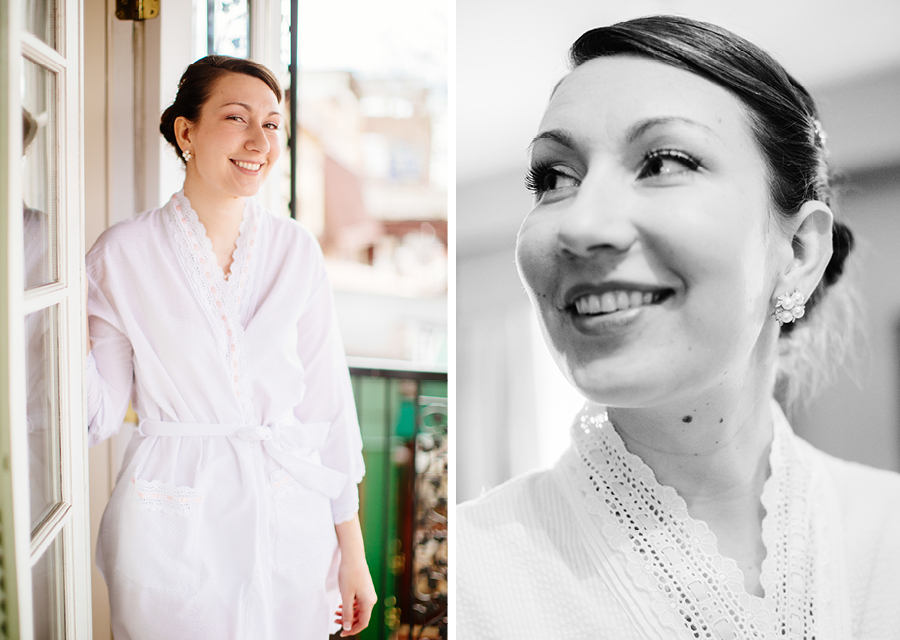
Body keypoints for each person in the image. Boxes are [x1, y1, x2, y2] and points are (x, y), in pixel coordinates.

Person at [457, 16, 900, 639]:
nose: (581, 226)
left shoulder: (888, 533)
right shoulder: (469, 580)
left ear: (800, 252)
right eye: (554, 178)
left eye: (664, 162)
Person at [86, 55, 376, 639]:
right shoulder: (122, 254)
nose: (259, 142)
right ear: (186, 132)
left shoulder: (296, 251)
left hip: (289, 517)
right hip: (170, 518)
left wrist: (354, 553)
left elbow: (329, 410)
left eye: (271, 124)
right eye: (237, 118)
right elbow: (98, 413)